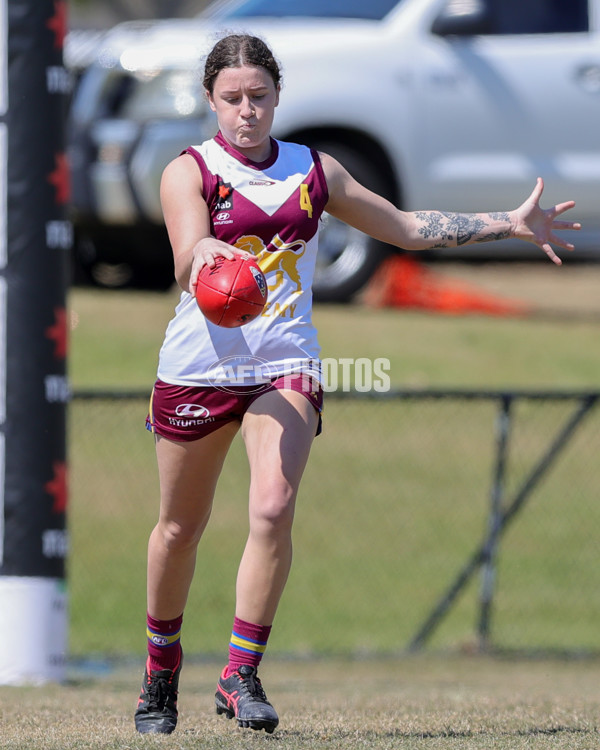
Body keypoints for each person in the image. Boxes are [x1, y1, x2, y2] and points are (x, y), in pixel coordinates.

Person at [133, 33, 580, 736]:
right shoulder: (189, 172)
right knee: (180, 529)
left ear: (278, 97)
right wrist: (206, 255)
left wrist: (506, 223)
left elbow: (403, 227)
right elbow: (189, 258)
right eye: (231, 99)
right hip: (200, 368)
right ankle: (160, 673)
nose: (246, 112)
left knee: (274, 508)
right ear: (210, 102)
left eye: (259, 97)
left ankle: (239, 673)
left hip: (286, 363)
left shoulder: (314, 171)